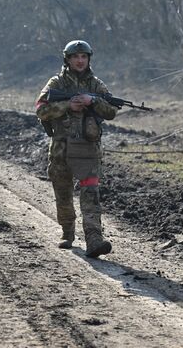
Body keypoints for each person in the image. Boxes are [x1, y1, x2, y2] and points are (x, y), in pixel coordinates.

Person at [35, 40, 118, 258]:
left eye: (84, 57)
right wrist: (67, 106)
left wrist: (93, 101)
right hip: (61, 149)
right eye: (75, 57)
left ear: (89, 59)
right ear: (68, 60)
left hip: (88, 150)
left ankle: (94, 239)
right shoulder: (56, 83)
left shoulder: (96, 85)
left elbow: (110, 111)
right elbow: (41, 111)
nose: (80, 61)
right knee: (63, 193)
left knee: (91, 194)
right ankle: (67, 232)